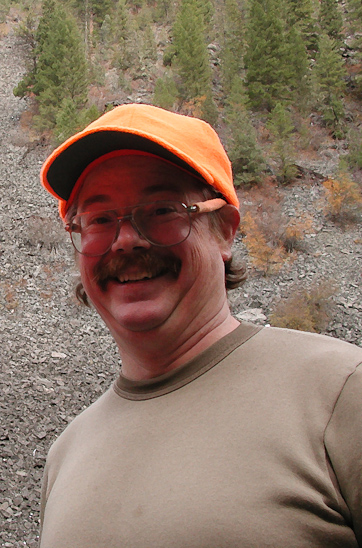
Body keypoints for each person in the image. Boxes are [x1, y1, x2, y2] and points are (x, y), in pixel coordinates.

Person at [38, 103, 362, 547]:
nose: (127, 237)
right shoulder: (65, 456)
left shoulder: (340, 393)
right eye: (99, 219)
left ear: (225, 230)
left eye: (162, 209)